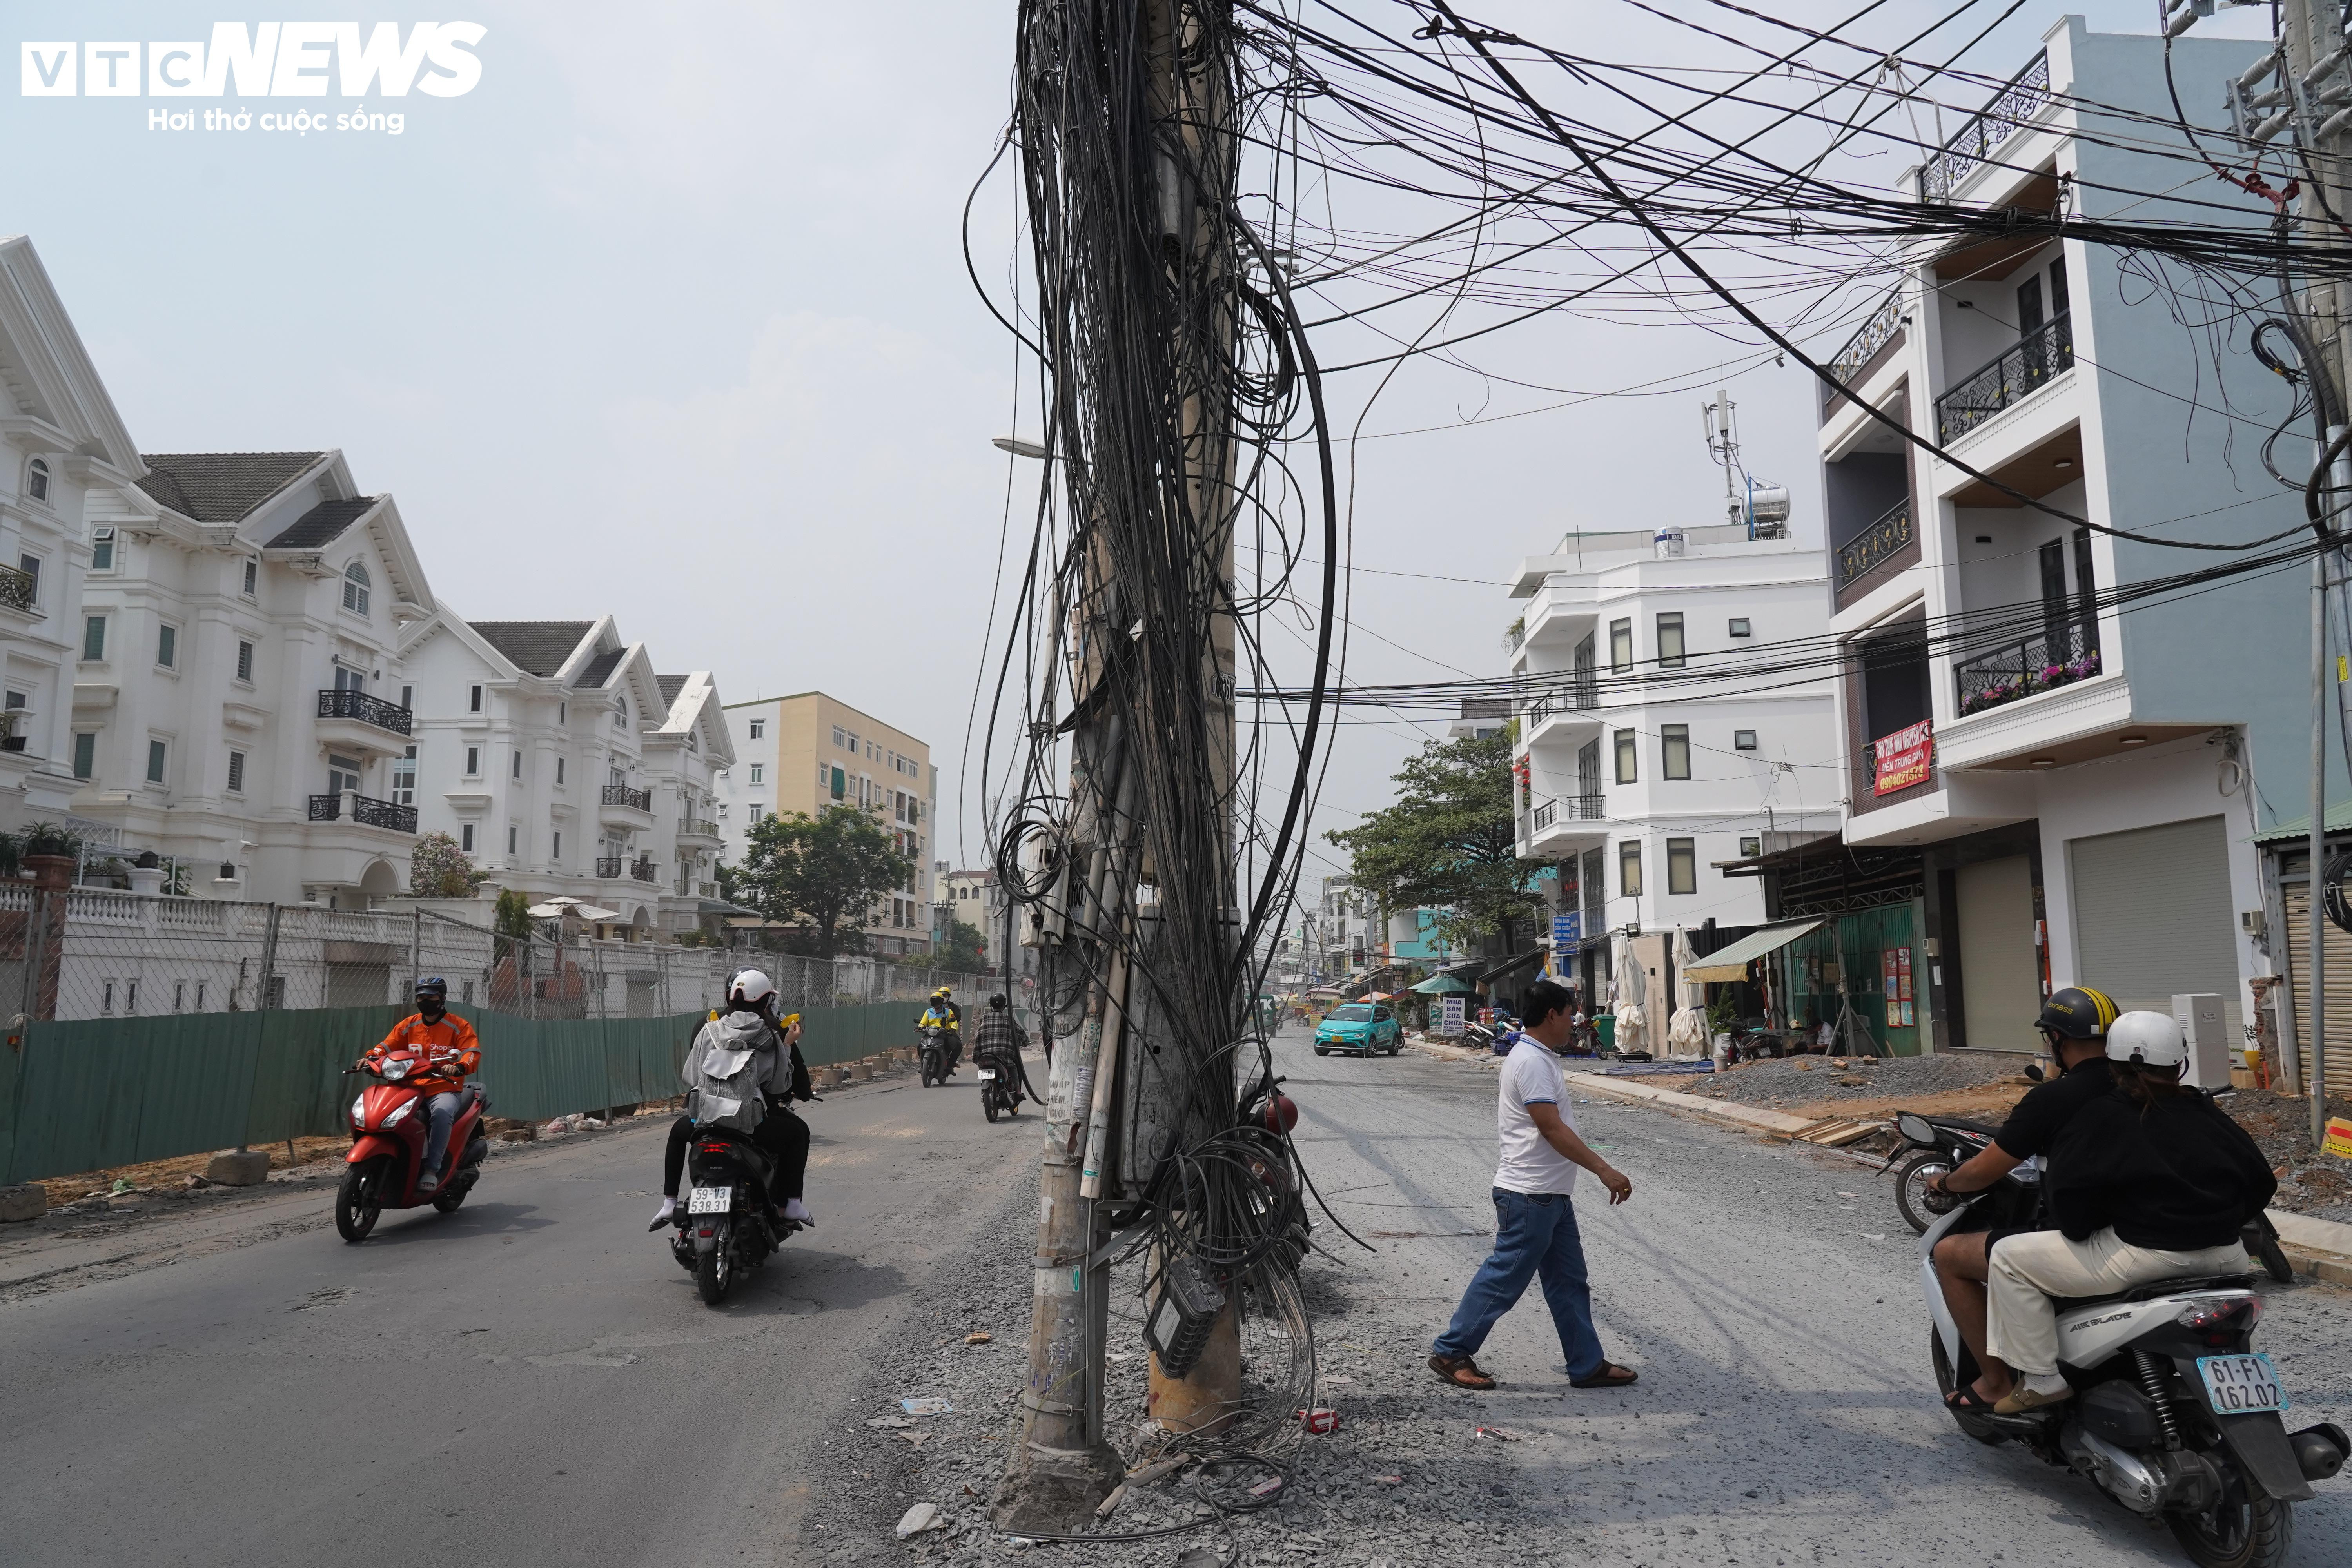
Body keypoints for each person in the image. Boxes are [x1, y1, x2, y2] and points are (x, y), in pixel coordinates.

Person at [1979, 1011, 2275, 1413]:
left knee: (2009, 1258)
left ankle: (2042, 1380)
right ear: (2179, 1063)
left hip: (2146, 1257)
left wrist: (2088, 1227)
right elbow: (2262, 1180)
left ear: (2114, 1063)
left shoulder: (2104, 1114)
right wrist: (2220, 1217)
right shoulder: (2205, 1110)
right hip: (2227, 1255)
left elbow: (2070, 1200)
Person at [1429, 978, 1638, 1392]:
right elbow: (1551, 1129)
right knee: (1504, 1278)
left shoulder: (1539, 1056)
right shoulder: (1531, 1061)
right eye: (1570, 1013)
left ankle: (1586, 1363)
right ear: (1551, 1015)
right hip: (1529, 1194)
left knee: (1569, 1282)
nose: (1575, 1021)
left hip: (1551, 1195)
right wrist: (1603, 1169)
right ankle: (1451, 1351)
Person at [1924, 985, 2119, 1412]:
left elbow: (1986, 1169)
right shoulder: (2148, 1089)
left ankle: (1996, 1380)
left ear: (2057, 1039)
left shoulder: (2053, 1099)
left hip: (2103, 1242)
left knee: (1951, 1255)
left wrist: (1946, 1183)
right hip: (2185, 1237)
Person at [649, 970, 814, 1230]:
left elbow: (691, 1076)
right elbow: (780, 1084)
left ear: (731, 997)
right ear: (765, 1000)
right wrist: (788, 1046)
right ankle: (791, 1205)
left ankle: (670, 1202)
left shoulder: (709, 1030)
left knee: (678, 1132)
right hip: (752, 1125)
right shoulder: (771, 1034)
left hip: (707, 1120)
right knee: (798, 1133)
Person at [364, 977, 481, 1195]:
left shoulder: (459, 1026)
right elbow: (386, 1046)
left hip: (442, 1088)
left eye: (431, 997)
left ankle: (431, 1169)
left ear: (442, 999)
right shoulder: (408, 1025)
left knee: (443, 1113)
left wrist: (461, 1067)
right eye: (421, 997)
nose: (425, 1001)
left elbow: (471, 1053)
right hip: (408, 1088)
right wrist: (371, 1057)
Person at [973, 992, 1026, 1078]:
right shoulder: (1008, 1018)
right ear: (1003, 1006)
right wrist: (1026, 1042)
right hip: (1004, 1057)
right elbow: (1020, 1033)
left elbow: (978, 1036)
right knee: (1014, 1068)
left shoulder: (984, 1018)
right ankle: (1018, 1090)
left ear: (991, 1005)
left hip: (985, 1057)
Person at [919, 986, 963, 1074]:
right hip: (931, 1032)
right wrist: (920, 1027)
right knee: (920, 1045)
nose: (937, 1003)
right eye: (934, 1001)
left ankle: (950, 1063)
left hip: (945, 1032)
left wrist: (953, 1029)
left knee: (957, 1044)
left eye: (944, 997)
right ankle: (922, 1064)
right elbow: (923, 1022)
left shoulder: (948, 1011)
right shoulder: (929, 1012)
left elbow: (954, 1020)